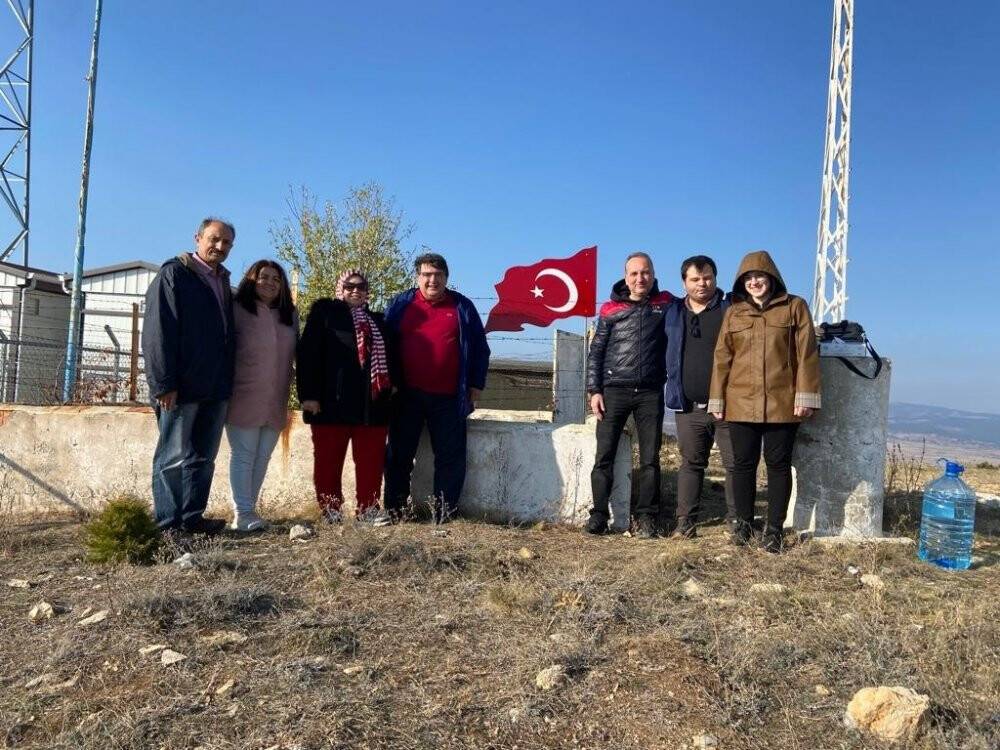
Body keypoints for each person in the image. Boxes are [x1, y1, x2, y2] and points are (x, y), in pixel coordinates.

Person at [709, 250, 821, 553]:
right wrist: (716, 399)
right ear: (741, 282)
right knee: (742, 465)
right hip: (740, 402)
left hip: (782, 404)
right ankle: (743, 525)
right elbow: (722, 358)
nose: (754, 282)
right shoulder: (734, 313)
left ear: (771, 278)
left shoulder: (794, 307)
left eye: (759, 276)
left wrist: (806, 396)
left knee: (778, 465)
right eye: (748, 278)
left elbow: (807, 355)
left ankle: (774, 530)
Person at [380, 252, 490, 525]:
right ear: (417, 277)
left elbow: (479, 348)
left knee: (450, 458)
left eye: (438, 275)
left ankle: (444, 513)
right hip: (405, 395)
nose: (432, 280)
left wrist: (475, 385)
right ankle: (395, 511)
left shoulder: (462, 306)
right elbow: (383, 342)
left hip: (450, 397)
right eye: (427, 275)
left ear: (446, 278)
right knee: (398, 455)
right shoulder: (400, 305)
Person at [143, 218, 237, 533]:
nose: (220, 247)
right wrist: (164, 384)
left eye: (227, 243)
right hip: (181, 388)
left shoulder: (223, 280)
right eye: (214, 239)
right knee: (171, 458)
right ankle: (169, 525)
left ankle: (192, 518)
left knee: (202, 459)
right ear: (197, 237)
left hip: (216, 386)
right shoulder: (175, 274)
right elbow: (159, 332)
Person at [586, 252, 674, 538]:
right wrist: (594, 390)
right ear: (626, 277)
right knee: (604, 457)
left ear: (653, 274)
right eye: (634, 273)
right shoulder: (610, 308)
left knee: (650, 459)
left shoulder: (666, 303)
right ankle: (598, 515)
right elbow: (596, 351)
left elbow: (698, 304)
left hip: (650, 392)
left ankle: (647, 517)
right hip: (613, 392)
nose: (640, 279)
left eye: (645, 273)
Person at [296, 269, 395, 522]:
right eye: (349, 286)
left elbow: (394, 359)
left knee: (371, 462)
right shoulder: (325, 316)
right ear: (340, 288)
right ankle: (330, 510)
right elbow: (308, 356)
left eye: (361, 287)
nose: (355, 291)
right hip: (331, 405)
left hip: (372, 407)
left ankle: (368, 510)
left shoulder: (379, 321)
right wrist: (308, 395)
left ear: (367, 291)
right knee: (328, 462)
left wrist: (394, 387)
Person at [663, 255, 735, 538]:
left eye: (707, 278)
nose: (701, 284)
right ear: (684, 282)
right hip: (688, 404)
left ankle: (737, 521)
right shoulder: (672, 312)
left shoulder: (731, 309)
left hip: (729, 404)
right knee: (691, 463)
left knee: (735, 464)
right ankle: (685, 523)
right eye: (695, 279)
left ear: (715, 279)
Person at [225, 260, 297, 532]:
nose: (269, 283)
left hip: (276, 398)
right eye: (263, 277)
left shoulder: (289, 315)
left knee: (263, 456)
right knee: (243, 454)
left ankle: (249, 512)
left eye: (276, 279)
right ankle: (242, 513)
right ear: (251, 280)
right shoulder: (236, 309)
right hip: (243, 393)